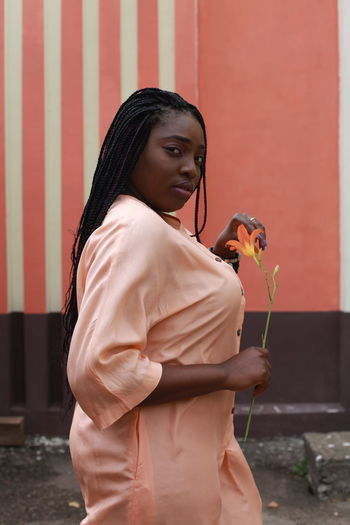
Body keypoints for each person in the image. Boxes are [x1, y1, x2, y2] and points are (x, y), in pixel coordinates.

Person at [64, 88, 271, 525]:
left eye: (199, 158)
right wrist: (227, 374)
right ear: (131, 150)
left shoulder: (155, 225)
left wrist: (220, 256)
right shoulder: (136, 229)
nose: (190, 169)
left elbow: (172, 311)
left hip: (186, 448)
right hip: (154, 462)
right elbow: (102, 368)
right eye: (174, 151)